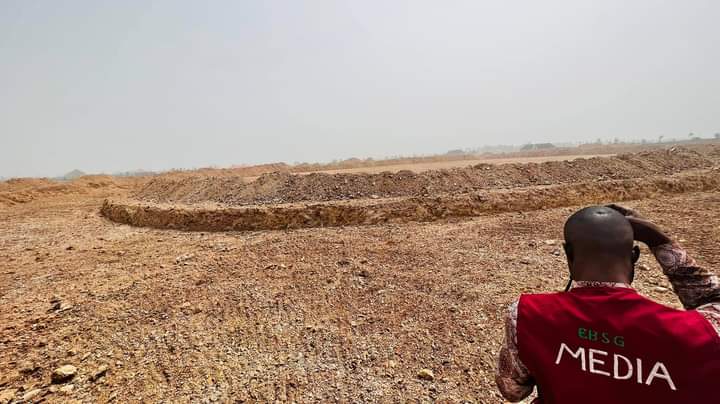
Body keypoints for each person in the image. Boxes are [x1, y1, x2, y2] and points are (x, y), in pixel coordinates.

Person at [495, 205, 720, 403]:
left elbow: (512, 390)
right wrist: (659, 239)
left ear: (568, 255)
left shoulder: (525, 315)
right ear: (634, 256)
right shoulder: (702, 333)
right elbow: (713, 299)